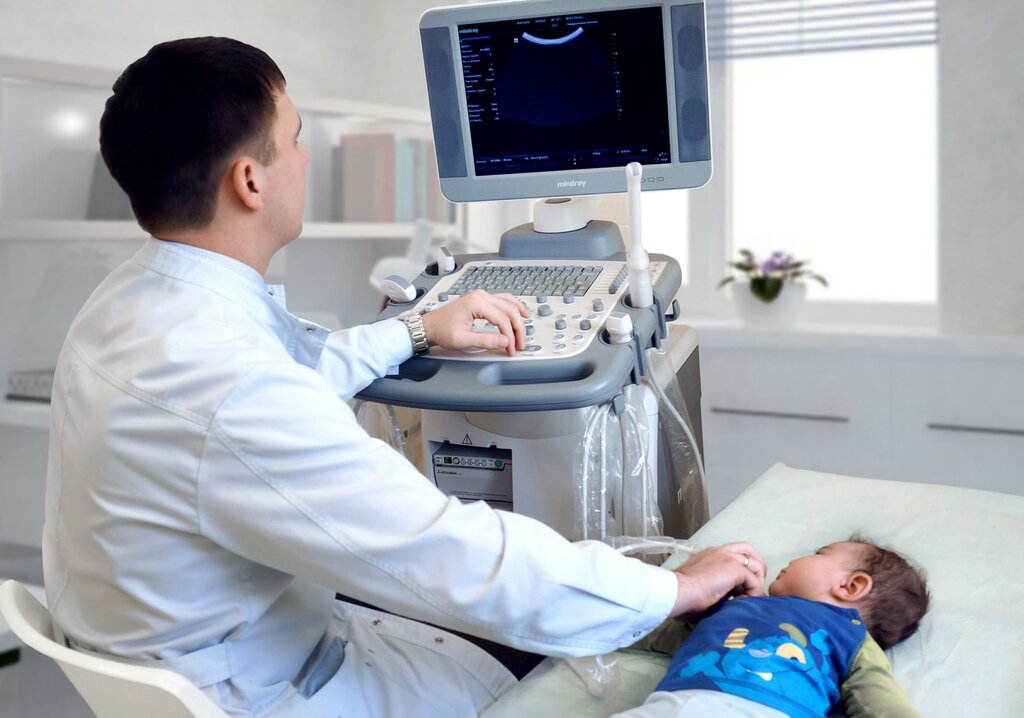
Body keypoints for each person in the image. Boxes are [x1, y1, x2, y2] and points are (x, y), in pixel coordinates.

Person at [41, 36, 765, 717]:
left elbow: (281, 381)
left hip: (179, 640)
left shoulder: (130, 304)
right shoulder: (231, 386)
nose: (303, 159)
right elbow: (454, 556)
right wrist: (670, 589)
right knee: (557, 643)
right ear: (250, 181)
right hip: (265, 685)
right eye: (295, 138)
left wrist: (418, 329)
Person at [617, 537, 930, 718]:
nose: (794, 559)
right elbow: (648, 627)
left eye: (819, 553)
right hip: (671, 706)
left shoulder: (850, 636)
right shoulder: (733, 606)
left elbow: (882, 703)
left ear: (851, 586)